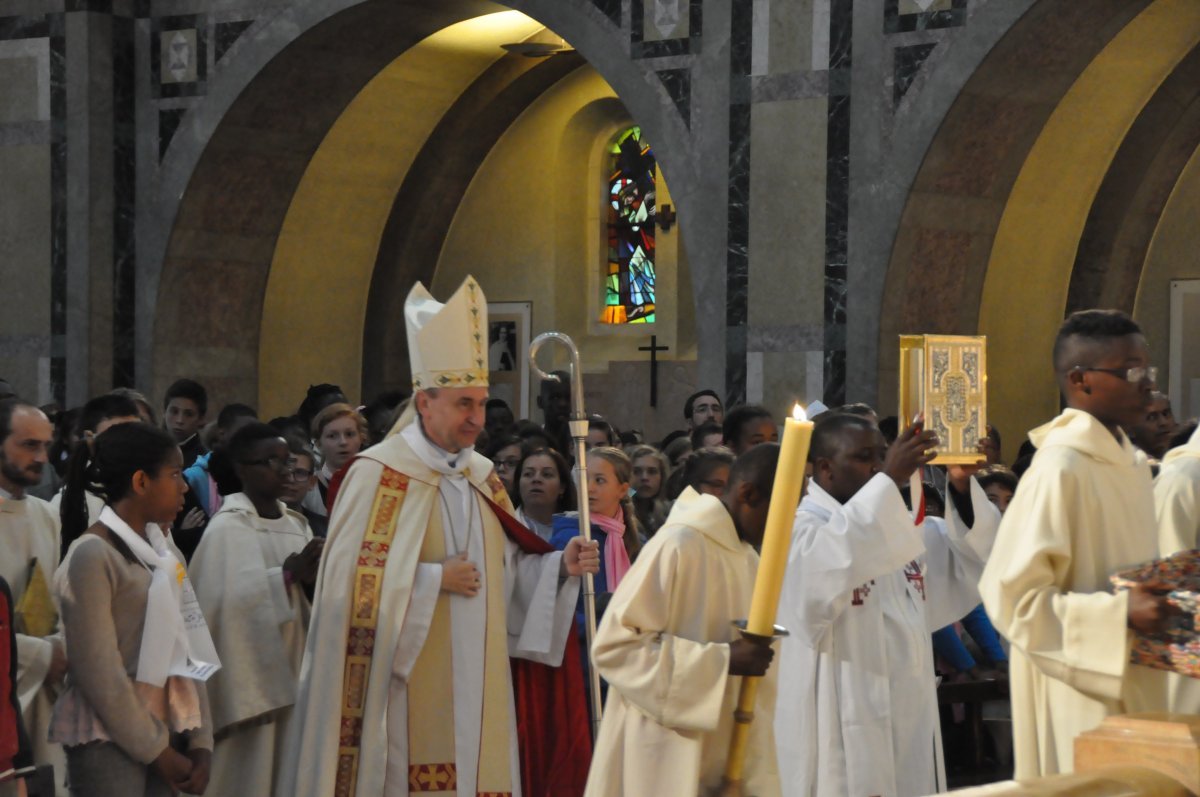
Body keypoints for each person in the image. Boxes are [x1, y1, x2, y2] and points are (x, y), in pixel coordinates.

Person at [279, 276, 599, 797]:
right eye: (462, 404)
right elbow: (344, 592)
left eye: (481, 402)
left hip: (483, 690)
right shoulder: (378, 474)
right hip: (406, 696)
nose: (477, 418)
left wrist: (557, 567)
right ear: (424, 402)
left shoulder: (483, 475)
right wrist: (432, 580)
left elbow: (505, 574)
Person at [979, 309, 1173, 778]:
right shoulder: (1059, 469)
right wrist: (1118, 614)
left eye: (1149, 369)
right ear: (1080, 380)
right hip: (1077, 693)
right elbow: (1012, 599)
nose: (1146, 383)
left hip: (1136, 678)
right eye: (1131, 370)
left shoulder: (1130, 466)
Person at [774, 412, 1000, 797]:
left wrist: (960, 484)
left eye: (884, 455)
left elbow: (973, 559)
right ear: (826, 469)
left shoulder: (894, 528)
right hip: (843, 716)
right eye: (866, 457)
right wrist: (890, 479)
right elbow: (823, 580)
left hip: (909, 712)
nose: (880, 466)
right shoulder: (801, 531)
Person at [585, 444, 782, 797]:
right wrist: (723, 662)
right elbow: (615, 647)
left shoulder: (750, 559)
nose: (788, 528)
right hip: (662, 756)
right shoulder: (679, 543)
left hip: (724, 755)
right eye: (784, 513)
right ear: (748, 493)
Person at [52, 422, 216, 797]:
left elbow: (191, 645)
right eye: (175, 475)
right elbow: (99, 674)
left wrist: (201, 740)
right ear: (141, 482)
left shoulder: (165, 552)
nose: (184, 487)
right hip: (108, 737)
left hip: (168, 728)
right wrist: (155, 749)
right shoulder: (92, 555)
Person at [189, 423, 323, 796]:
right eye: (271, 462)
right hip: (249, 689)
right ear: (242, 469)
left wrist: (311, 582)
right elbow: (219, 610)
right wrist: (285, 577)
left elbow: (313, 604)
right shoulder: (227, 530)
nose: (284, 471)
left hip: (297, 675)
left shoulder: (298, 527)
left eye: (288, 462)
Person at [0, 400, 64, 793]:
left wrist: (60, 645)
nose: (42, 457)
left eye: (46, 446)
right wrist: (44, 655)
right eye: (28, 445)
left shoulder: (46, 515)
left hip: (45, 694)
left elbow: (56, 604)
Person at [52, 393, 143, 538]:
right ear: (90, 440)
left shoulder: (148, 492)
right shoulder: (65, 503)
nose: (128, 447)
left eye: (136, 437)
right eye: (116, 437)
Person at [309, 402, 366, 514]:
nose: (343, 442)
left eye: (349, 434)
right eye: (332, 436)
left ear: (361, 437)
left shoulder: (374, 481)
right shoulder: (309, 488)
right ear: (318, 444)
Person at [513, 447, 574, 542]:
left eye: (546, 474)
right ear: (518, 484)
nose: (536, 479)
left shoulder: (576, 528)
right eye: (528, 474)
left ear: (562, 487)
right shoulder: (506, 528)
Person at [282, 437, 328, 538]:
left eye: (300, 473)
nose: (291, 479)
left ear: (312, 482)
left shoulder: (325, 529)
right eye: (285, 471)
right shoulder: (249, 521)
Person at [162, 378, 208, 468]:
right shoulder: (149, 452)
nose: (179, 420)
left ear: (201, 419)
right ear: (164, 412)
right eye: (174, 412)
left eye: (189, 414)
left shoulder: (204, 463)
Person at [629, 444, 670, 537]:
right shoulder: (617, 514)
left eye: (652, 471)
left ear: (662, 477)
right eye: (636, 471)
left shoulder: (671, 514)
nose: (644, 477)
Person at [1128, 390, 1177, 464]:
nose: (1163, 422)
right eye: (1151, 417)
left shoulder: (1188, 457)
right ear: (1131, 429)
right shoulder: (1128, 464)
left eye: (1166, 414)